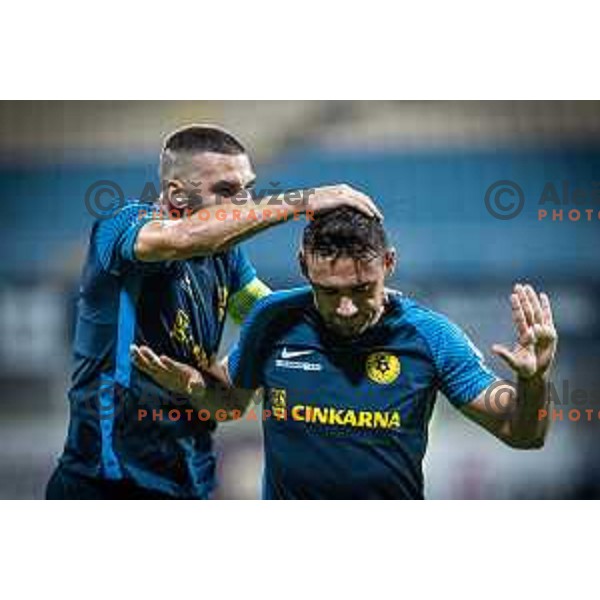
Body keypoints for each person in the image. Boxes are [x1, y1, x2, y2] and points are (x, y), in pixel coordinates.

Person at [46, 125, 381, 500]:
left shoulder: (226, 256)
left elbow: (266, 312)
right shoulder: (121, 228)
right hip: (105, 485)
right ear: (176, 194)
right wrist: (302, 201)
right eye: (225, 191)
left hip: (192, 484)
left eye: (247, 189)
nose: (243, 203)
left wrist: (358, 304)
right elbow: (181, 238)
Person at [133, 207, 557, 499]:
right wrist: (191, 384)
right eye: (329, 293)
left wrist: (534, 381)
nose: (347, 308)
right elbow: (229, 404)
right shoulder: (272, 318)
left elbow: (524, 435)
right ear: (303, 266)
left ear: (389, 263)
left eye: (361, 289)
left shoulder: (431, 336)